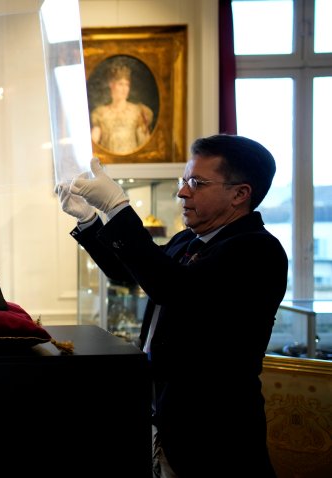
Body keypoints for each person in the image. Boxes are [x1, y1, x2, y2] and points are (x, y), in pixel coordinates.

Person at [56, 134, 286, 477]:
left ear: (240, 194)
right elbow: (127, 272)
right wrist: (89, 222)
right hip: (166, 418)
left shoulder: (257, 250)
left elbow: (174, 288)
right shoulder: (188, 240)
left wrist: (118, 208)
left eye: (197, 182)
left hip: (215, 435)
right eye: (184, 180)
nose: (182, 192)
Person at [89, 61, 154, 154]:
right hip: (108, 164)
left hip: (133, 163)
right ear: (112, 85)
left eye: (127, 85)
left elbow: (144, 144)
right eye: (120, 84)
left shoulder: (137, 111)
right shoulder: (101, 113)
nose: (124, 89)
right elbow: (93, 143)